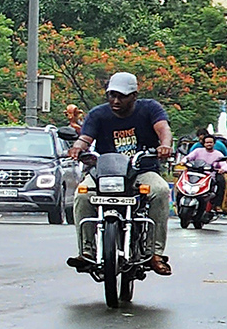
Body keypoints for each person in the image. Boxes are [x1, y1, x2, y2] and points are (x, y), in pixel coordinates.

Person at [66, 72, 174, 276]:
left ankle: (155, 253)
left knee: (160, 191)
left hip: (141, 171)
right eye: (112, 95)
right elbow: (85, 139)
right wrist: (77, 148)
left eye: (122, 96)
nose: (116, 101)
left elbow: (163, 129)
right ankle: (87, 252)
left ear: (134, 95)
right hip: (105, 174)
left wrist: (165, 145)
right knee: (81, 195)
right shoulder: (98, 114)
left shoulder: (150, 109)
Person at [183, 134, 227, 209]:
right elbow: (188, 157)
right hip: (195, 175)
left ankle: (217, 205)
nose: (209, 144)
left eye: (211, 142)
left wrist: (222, 169)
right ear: (204, 144)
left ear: (214, 143)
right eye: (207, 142)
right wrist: (183, 162)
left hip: (210, 176)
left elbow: (224, 165)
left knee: (221, 182)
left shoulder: (218, 154)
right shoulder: (197, 151)